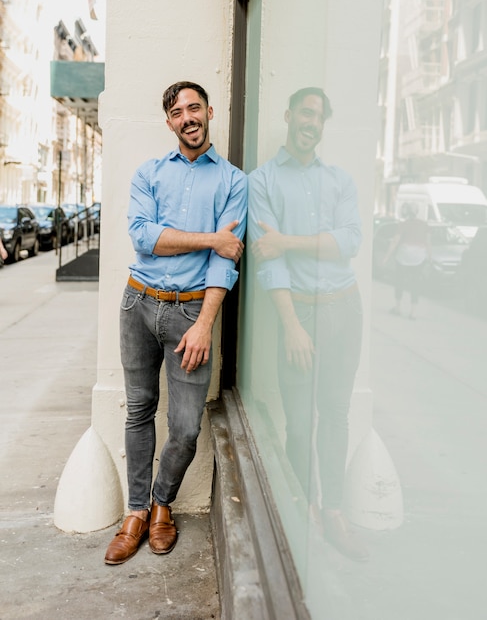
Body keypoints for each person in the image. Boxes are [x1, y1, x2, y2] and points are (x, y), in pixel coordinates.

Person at [104, 81, 247, 565]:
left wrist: (205, 323)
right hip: (138, 304)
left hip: (190, 312)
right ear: (169, 122)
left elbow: (226, 264)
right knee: (139, 410)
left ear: (208, 112)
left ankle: (163, 503)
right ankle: (137, 511)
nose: (187, 117)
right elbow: (144, 239)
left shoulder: (233, 182)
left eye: (193, 107)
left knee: (185, 425)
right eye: (177, 111)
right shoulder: (149, 173)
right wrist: (211, 238)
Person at [248, 87, 367, 561]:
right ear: (289, 114)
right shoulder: (264, 181)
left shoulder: (339, 180)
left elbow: (350, 241)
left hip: (345, 309)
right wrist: (291, 324)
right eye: (305, 112)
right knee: (298, 423)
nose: (311, 122)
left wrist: (290, 242)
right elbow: (267, 261)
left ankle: (333, 511)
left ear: (323, 124)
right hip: (300, 314)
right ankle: (303, 513)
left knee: (335, 415)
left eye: (319, 116)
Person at [384, 202, 430, 320]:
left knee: (399, 280)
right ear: (417, 211)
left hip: (403, 256)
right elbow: (428, 242)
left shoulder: (403, 224)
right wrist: (429, 256)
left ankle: (398, 308)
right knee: (415, 283)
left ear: (407, 212)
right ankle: (413, 312)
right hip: (419, 257)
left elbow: (395, 241)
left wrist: (387, 257)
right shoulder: (424, 225)